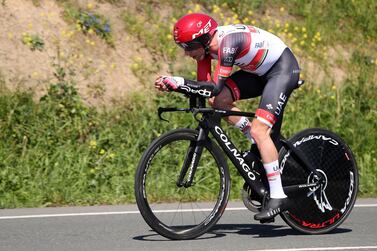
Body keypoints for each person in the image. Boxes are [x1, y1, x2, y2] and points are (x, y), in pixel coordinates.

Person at [154, 13, 301, 221]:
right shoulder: (204, 51)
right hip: (257, 73)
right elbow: (205, 91)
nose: (186, 54)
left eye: (188, 47)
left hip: (281, 69)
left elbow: (213, 87)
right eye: (182, 48)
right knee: (219, 102)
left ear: (203, 39)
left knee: (261, 130)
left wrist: (178, 81)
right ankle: (253, 137)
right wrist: (175, 87)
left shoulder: (228, 43)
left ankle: (278, 196)